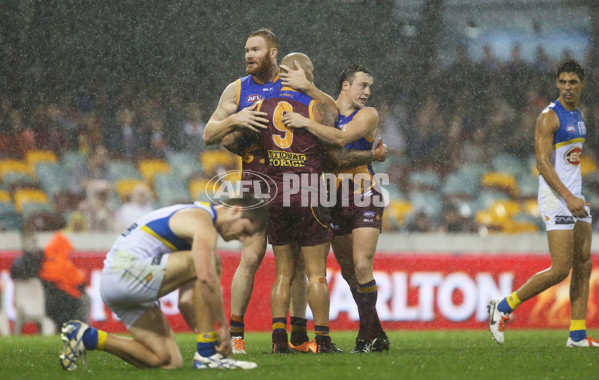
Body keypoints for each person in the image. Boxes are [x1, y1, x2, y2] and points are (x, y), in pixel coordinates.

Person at [202, 28, 323, 354]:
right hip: (256, 185)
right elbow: (209, 133)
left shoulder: (290, 84)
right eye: (246, 50)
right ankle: (235, 337)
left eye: (255, 49)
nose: (248, 56)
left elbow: (324, 119)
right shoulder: (238, 89)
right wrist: (235, 119)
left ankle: (296, 337)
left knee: (296, 263)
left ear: (273, 53)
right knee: (252, 256)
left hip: (294, 186)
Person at [59, 196, 265, 370]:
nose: (241, 238)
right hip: (124, 273)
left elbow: (186, 300)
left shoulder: (194, 218)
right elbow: (206, 277)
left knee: (166, 359)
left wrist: (208, 334)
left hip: (116, 282)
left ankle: (85, 337)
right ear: (236, 210)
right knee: (211, 263)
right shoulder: (203, 221)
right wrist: (222, 328)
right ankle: (207, 356)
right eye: (245, 230)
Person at [488, 59, 597, 347]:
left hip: (575, 197)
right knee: (561, 268)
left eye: (573, 82)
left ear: (582, 84)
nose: (567, 87)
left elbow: (571, 161)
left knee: (584, 263)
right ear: (557, 84)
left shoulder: (579, 114)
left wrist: (578, 195)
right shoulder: (549, 116)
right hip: (557, 197)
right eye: (563, 82)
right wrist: (568, 197)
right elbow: (542, 163)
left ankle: (576, 336)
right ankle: (503, 306)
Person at [283, 63, 390, 352]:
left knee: (361, 265)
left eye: (370, 87)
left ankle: (364, 337)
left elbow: (342, 139)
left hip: (365, 195)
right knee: (348, 272)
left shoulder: (368, 114)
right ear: (345, 85)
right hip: (335, 201)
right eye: (362, 85)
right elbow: (327, 111)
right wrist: (306, 87)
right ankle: (377, 333)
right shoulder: (326, 113)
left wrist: (304, 123)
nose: (367, 92)